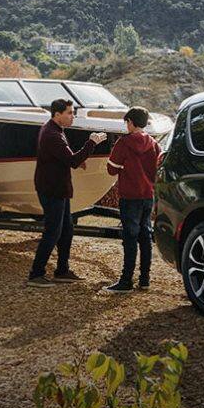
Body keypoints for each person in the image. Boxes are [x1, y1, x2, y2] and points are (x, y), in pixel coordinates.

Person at [28, 98, 101, 287]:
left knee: (67, 230)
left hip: (58, 188)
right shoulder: (52, 134)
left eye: (73, 112)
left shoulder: (55, 130)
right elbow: (72, 161)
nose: (73, 116)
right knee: (52, 232)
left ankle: (62, 270)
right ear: (57, 114)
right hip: (52, 189)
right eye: (69, 113)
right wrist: (91, 142)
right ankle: (36, 274)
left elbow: (66, 157)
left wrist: (77, 158)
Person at [103, 106, 161, 293]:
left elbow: (111, 169)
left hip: (130, 196)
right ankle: (144, 279)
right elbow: (158, 168)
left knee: (130, 238)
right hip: (147, 196)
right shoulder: (153, 143)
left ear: (131, 122)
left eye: (126, 122)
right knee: (145, 237)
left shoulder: (124, 143)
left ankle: (126, 281)